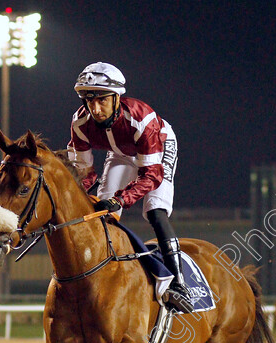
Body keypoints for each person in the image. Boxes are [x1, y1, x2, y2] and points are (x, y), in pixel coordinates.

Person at [67, 62, 193, 313]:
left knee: (155, 211)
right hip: (121, 153)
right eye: (89, 101)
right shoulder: (79, 123)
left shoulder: (142, 120)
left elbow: (151, 176)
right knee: (104, 213)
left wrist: (122, 199)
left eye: (102, 100)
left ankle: (179, 284)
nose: (95, 108)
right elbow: (85, 174)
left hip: (157, 149)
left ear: (116, 97)